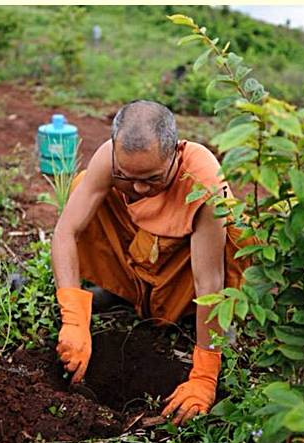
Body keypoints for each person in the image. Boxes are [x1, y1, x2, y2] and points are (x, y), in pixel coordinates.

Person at [51, 100, 254, 425]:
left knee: (236, 231)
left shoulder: (202, 182)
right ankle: (126, 292)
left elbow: (209, 283)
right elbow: (66, 232)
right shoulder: (111, 161)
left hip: (185, 269)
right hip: (142, 247)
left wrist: (204, 373)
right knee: (82, 187)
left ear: (175, 152)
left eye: (153, 178)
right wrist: (74, 319)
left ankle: (206, 324)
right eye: (128, 177)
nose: (140, 188)